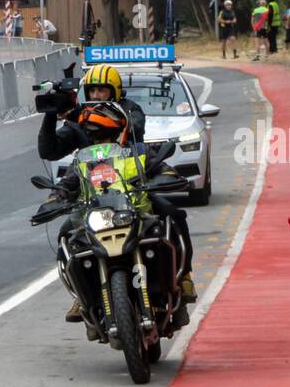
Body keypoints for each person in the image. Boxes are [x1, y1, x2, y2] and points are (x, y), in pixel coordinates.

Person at [36, 64, 196, 322]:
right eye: (93, 90)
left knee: (174, 215)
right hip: (93, 202)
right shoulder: (79, 125)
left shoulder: (129, 112)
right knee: (66, 234)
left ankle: (185, 277)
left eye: (103, 89)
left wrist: (166, 178)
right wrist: (52, 114)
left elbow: (135, 128)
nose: (98, 94)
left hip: (132, 194)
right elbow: (50, 152)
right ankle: (82, 294)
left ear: (115, 92)